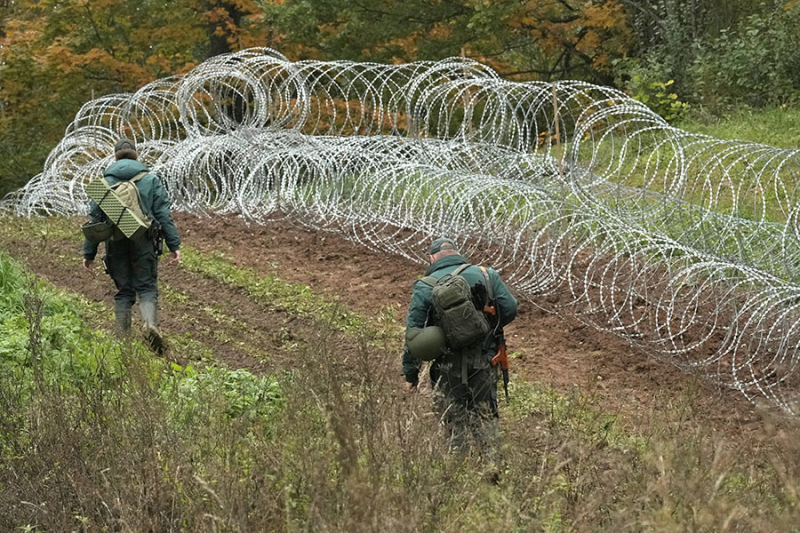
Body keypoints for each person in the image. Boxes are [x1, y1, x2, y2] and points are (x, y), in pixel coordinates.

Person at [403, 237, 518, 458]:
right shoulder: (487, 275)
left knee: (453, 418)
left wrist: (411, 374)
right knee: (485, 416)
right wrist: (487, 326)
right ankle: (494, 468)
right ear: (457, 253)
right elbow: (510, 308)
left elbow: (413, 334)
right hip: (484, 359)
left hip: (447, 364)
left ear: (432, 258)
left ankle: (458, 467)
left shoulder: (425, 285)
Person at [82, 138, 181, 353]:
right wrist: (174, 244)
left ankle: (122, 341)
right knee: (146, 286)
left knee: (124, 291)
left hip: (115, 241)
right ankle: (150, 325)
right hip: (143, 238)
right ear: (136, 156)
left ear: (115, 157)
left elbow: (94, 221)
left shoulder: (104, 183)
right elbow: (163, 214)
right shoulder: (150, 179)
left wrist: (88, 253)